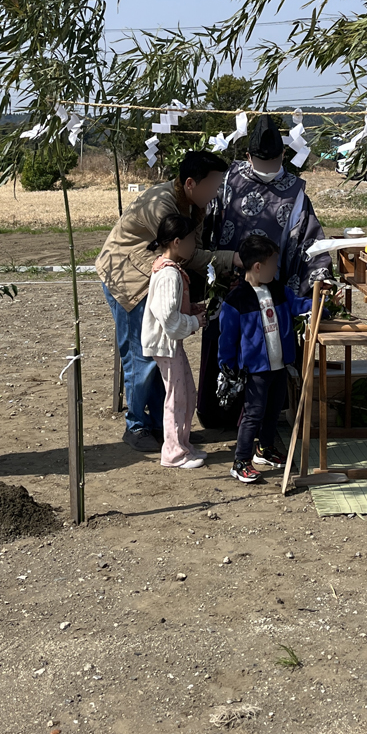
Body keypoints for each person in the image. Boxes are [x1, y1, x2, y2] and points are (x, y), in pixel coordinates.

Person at [96, 150, 241, 453]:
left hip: (153, 281)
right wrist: (232, 259)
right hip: (128, 280)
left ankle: (164, 427)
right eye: (212, 185)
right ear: (191, 183)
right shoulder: (162, 204)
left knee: (160, 356)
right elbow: (188, 253)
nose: (215, 192)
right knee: (141, 355)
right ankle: (136, 426)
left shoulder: (192, 206)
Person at [197, 113, 331, 427]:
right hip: (230, 283)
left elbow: (310, 239)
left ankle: (262, 420)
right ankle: (218, 414)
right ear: (248, 156)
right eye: (261, 161)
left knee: (268, 353)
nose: (267, 167)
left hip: (272, 285)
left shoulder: (295, 191)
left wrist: (320, 275)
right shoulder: (228, 181)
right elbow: (206, 224)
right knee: (226, 343)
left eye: (273, 161)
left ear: (283, 155)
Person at [218, 233, 312, 483]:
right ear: (258, 267)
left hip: (279, 365)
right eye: (273, 264)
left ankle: (265, 449)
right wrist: (227, 366)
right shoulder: (236, 301)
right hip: (256, 370)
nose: (276, 269)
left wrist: (319, 304)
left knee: (273, 411)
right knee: (253, 414)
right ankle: (241, 461)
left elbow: (298, 305)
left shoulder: (279, 290)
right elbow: (227, 338)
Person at [140, 213, 209, 469]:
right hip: (165, 344)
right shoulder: (169, 274)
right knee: (177, 398)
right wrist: (194, 322)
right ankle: (173, 453)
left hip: (170, 344)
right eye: (191, 240)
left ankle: (183, 445)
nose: (194, 246)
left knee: (186, 393)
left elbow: (171, 310)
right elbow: (168, 317)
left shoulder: (170, 270)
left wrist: (191, 310)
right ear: (177, 242)